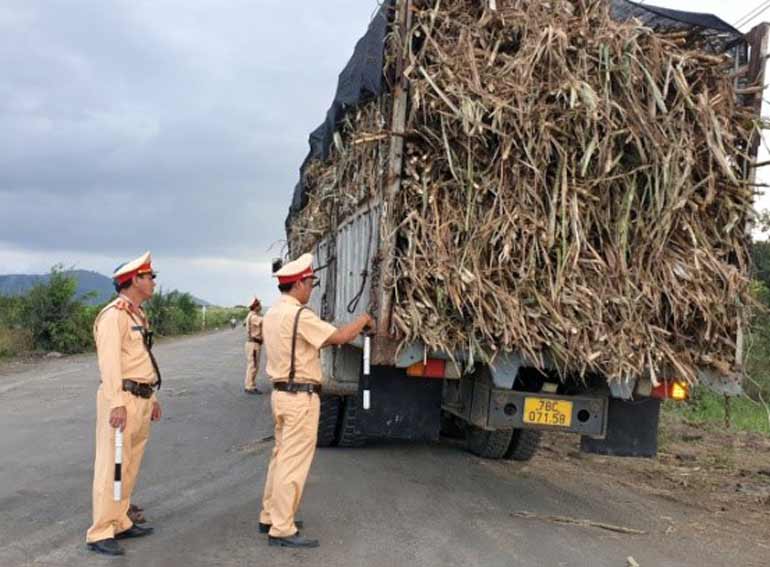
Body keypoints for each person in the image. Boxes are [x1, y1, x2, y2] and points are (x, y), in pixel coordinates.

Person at [258, 253, 373, 549]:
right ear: (298, 283)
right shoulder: (299, 315)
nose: (312, 288)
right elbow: (340, 337)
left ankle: (270, 515)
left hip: (281, 394)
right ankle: (282, 528)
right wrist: (364, 319)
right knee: (293, 464)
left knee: (280, 457)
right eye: (310, 282)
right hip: (300, 398)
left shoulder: (272, 313)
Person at [85, 251, 162, 556]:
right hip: (122, 400)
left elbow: (141, 361)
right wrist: (116, 403)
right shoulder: (113, 316)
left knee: (128, 465)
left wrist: (152, 397)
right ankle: (100, 531)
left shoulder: (137, 314)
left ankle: (120, 520)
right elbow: (110, 365)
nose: (154, 282)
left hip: (140, 398)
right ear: (133, 280)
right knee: (111, 466)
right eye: (149, 277)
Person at [244, 297, 264, 395]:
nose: (260, 306)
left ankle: (250, 385)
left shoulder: (251, 315)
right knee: (253, 366)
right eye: (259, 304)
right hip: (254, 344)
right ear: (255, 306)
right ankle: (249, 387)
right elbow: (264, 321)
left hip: (252, 344)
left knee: (252, 365)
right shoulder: (254, 317)